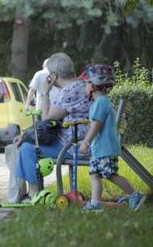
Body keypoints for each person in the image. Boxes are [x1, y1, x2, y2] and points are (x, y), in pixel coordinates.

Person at [15, 52, 92, 201]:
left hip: (75, 146)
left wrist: (45, 91)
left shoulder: (70, 91)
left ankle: (34, 195)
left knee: (27, 149)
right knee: (29, 142)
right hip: (80, 142)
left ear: (54, 76)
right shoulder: (80, 85)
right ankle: (35, 192)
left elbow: (46, 117)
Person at [79, 66, 146, 212]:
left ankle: (135, 195)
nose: (84, 87)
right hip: (100, 148)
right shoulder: (101, 102)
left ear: (92, 86)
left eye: (86, 83)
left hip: (105, 148)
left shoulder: (101, 102)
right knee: (95, 174)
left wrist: (85, 142)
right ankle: (95, 203)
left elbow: (96, 125)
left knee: (110, 175)